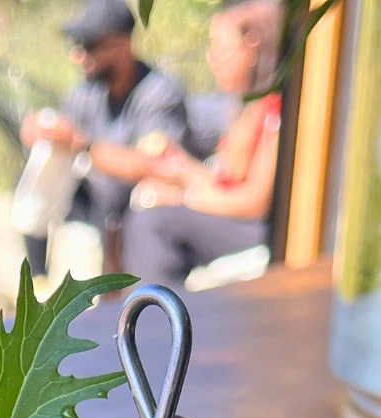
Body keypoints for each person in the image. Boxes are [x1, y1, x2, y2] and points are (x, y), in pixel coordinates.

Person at [122, 0, 285, 289]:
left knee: (155, 224)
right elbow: (226, 183)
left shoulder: (276, 108)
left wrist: (184, 199)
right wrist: (180, 167)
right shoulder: (247, 105)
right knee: (146, 205)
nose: (212, 60)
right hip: (242, 219)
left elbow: (255, 201)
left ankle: (156, 325)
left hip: (264, 231)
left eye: (221, 50)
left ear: (252, 45)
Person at [19, 0, 189, 270]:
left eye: (89, 45)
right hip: (93, 201)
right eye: (76, 45)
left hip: (136, 210)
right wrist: (38, 133)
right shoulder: (87, 91)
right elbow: (64, 138)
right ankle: (36, 278)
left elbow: (157, 168)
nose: (79, 56)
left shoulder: (158, 93)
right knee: (40, 168)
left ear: (123, 45)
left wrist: (80, 145)